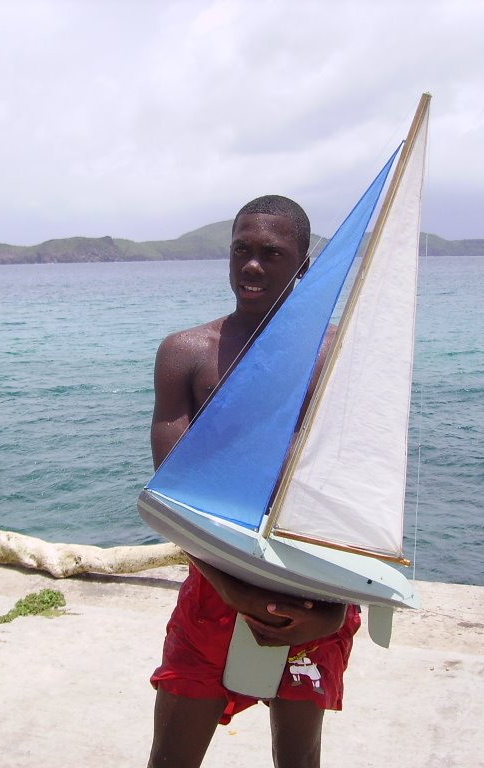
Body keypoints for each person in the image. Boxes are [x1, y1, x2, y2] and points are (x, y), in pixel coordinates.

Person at [146, 195, 361, 768]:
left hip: (312, 592)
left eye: (272, 252)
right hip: (212, 584)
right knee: (171, 757)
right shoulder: (186, 355)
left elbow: (360, 489)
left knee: (298, 756)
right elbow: (173, 496)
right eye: (241, 250)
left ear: (304, 263)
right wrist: (228, 586)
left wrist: (337, 609)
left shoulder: (341, 355)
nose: (252, 266)